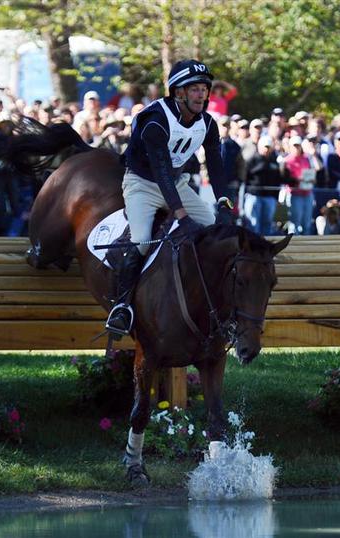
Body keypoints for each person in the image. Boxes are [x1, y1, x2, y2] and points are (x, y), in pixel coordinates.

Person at [105, 59, 230, 338]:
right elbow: (160, 172)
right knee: (141, 240)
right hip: (142, 184)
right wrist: (181, 215)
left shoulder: (208, 123)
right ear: (178, 92)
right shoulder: (155, 121)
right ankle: (121, 306)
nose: (201, 95)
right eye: (194, 89)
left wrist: (224, 202)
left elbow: (216, 165)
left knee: (212, 227)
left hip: (176, 183)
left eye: (204, 89)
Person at [284, 136, 316, 234]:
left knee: (307, 222)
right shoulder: (287, 160)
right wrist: (297, 180)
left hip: (307, 193)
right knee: (294, 223)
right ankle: (293, 242)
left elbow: (312, 172)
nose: (296, 148)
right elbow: (285, 179)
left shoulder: (306, 158)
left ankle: (306, 243)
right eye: (294, 146)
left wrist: (312, 179)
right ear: (290, 147)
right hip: (295, 194)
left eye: (298, 146)